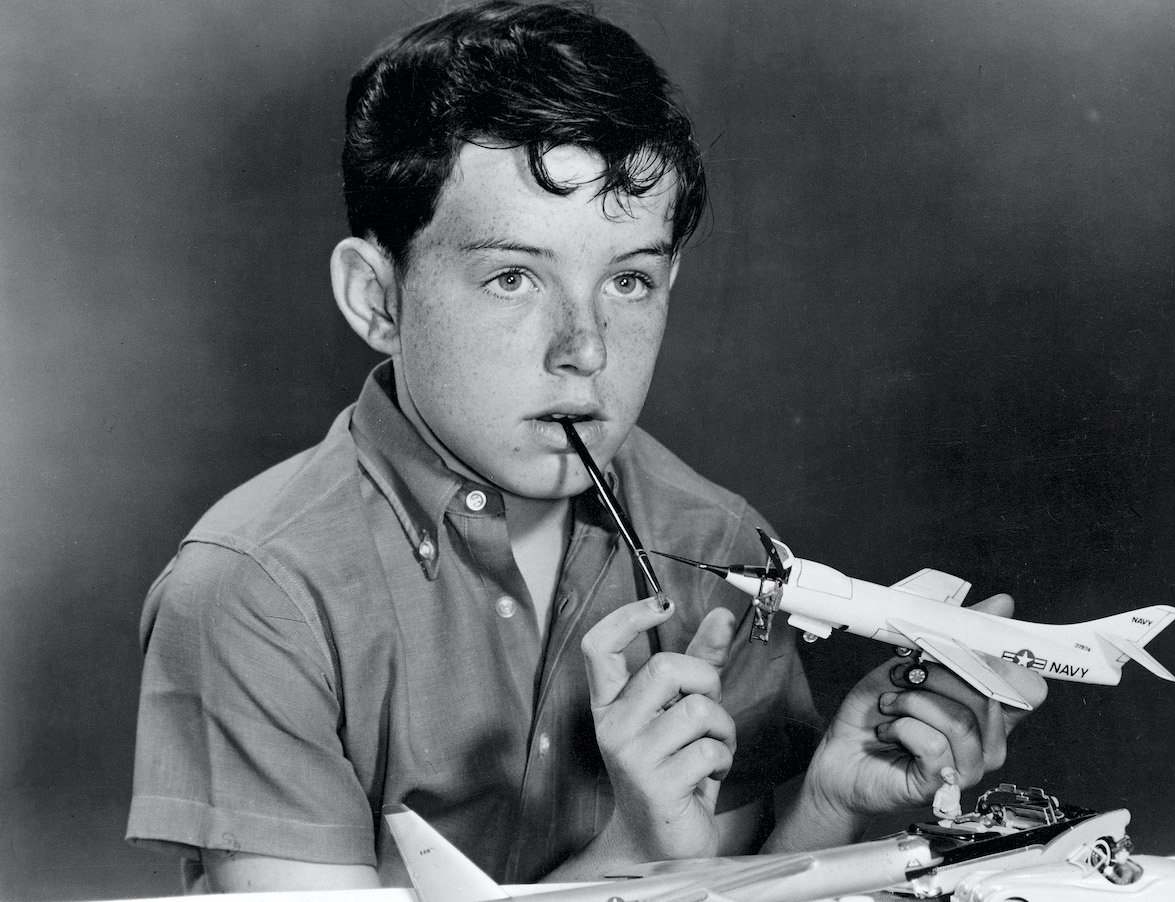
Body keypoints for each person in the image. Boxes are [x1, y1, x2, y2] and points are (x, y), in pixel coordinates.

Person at [126, 1, 1047, 892]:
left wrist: (828, 804)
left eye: (631, 281)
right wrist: (636, 849)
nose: (587, 349)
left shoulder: (720, 546)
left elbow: (724, 889)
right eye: (513, 276)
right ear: (378, 299)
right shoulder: (256, 591)